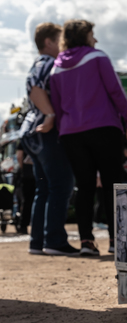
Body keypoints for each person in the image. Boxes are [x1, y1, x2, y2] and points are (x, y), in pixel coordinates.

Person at [50, 19, 127, 256]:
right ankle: (115, 241)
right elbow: (115, 91)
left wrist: (63, 130)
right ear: (84, 36)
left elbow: (56, 106)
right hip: (104, 127)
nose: (95, 39)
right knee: (111, 185)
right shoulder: (97, 57)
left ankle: (86, 242)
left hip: (71, 133)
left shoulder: (56, 67)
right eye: (92, 34)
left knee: (85, 187)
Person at [19, 22, 78, 256]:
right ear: (49, 42)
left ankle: (38, 242)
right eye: (60, 40)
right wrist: (51, 114)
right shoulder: (49, 63)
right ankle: (54, 240)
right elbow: (35, 88)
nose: (63, 45)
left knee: (44, 188)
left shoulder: (37, 63)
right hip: (46, 130)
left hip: (32, 131)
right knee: (60, 185)